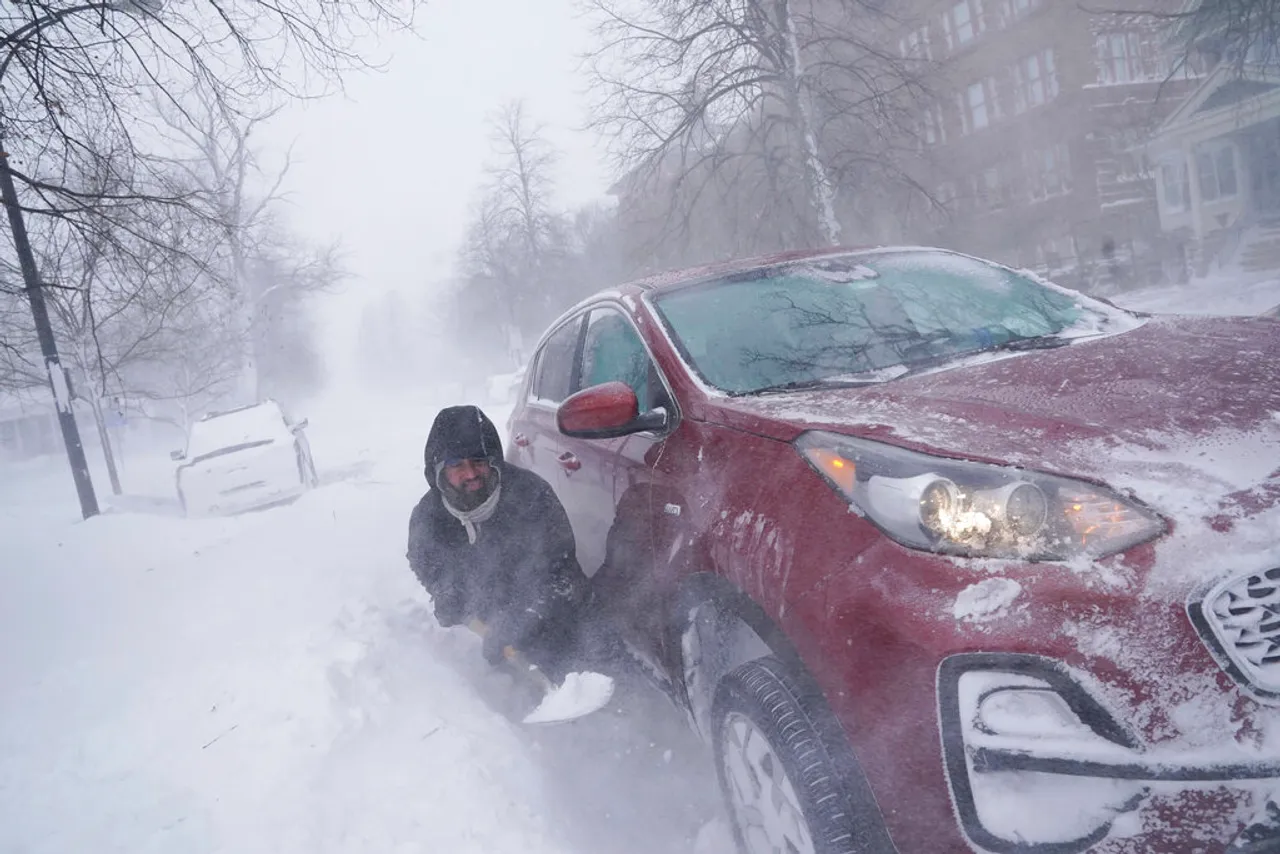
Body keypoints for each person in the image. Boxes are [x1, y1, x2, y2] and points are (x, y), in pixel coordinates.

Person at [406, 404, 592, 683]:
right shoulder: (429, 519)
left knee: (586, 650)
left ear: (494, 461)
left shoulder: (531, 497)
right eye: (457, 464)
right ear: (439, 471)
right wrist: (448, 594)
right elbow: (426, 567)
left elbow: (561, 573)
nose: (470, 474)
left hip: (547, 612)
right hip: (485, 618)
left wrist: (521, 620)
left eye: (479, 461)